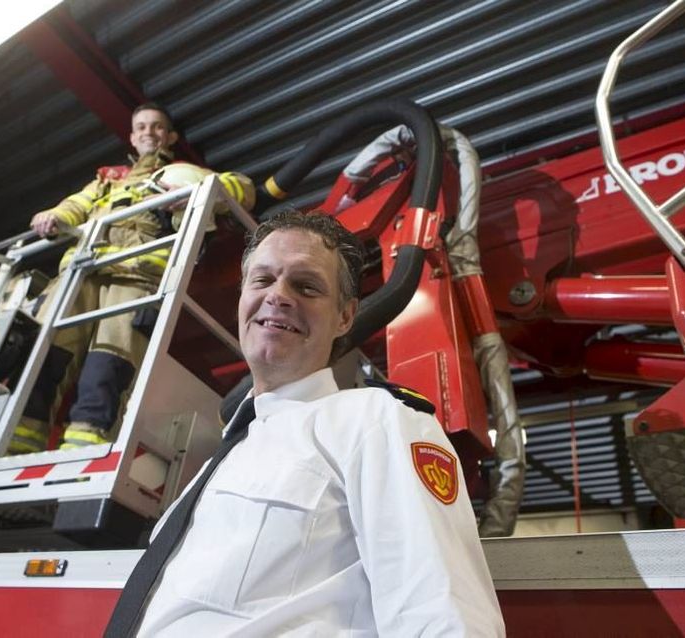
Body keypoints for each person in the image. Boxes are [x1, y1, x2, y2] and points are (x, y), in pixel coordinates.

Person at [107, 211, 504, 636]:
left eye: (306, 285)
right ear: (242, 298)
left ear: (346, 317)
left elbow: (441, 614)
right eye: (262, 280)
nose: (278, 295)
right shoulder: (218, 462)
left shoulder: (377, 421)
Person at [10, 103, 255, 453]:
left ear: (170, 136)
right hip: (81, 273)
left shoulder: (185, 173)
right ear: (132, 136)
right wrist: (52, 215)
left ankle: (84, 447)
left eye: (157, 127)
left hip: (136, 278)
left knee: (111, 357)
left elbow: (243, 188)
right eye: (141, 127)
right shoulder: (109, 180)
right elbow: (74, 206)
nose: (148, 133)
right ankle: (19, 443)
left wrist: (192, 192)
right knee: (47, 349)